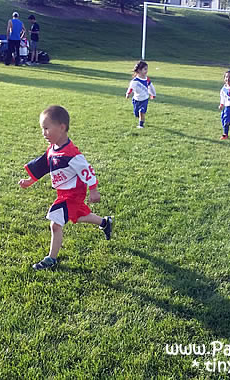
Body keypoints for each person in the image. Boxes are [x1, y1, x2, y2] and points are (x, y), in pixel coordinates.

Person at [19, 105, 113, 270]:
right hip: (63, 193)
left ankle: (51, 259)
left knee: (55, 223)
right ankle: (105, 222)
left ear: (62, 128)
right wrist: (30, 181)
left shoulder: (71, 154)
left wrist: (94, 190)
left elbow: (87, 171)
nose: (44, 133)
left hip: (73, 194)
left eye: (47, 128)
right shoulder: (53, 150)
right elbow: (42, 166)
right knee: (79, 216)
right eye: (42, 129)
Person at [125, 60, 156, 129]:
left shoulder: (147, 79)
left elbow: (151, 87)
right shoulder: (135, 81)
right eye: (145, 69)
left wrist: (153, 94)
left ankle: (141, 125)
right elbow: (131, 88)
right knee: (136, 113)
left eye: (147, 69)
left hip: (144, 99)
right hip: (136, 99)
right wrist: (128, 93)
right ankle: (139, 117)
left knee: (142, 111)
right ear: (139, 70)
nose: (146, 71)